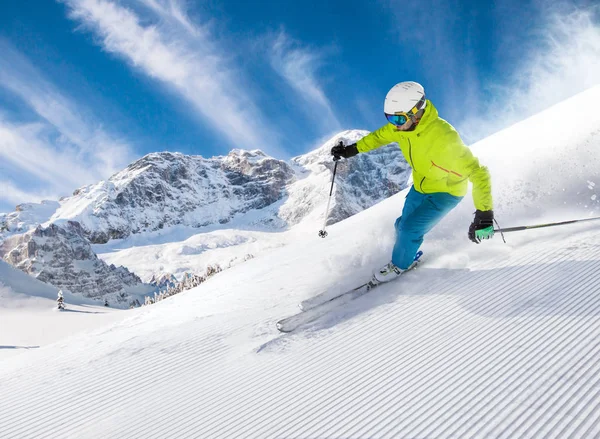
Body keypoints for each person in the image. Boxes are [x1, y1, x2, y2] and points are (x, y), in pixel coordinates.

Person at [331, 81, 494, 283]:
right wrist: (350, 150)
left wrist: (484, 212)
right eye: (390, 118)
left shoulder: (444, 137)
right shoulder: (400, 128)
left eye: (399, 118)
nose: (395, 124)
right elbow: (377, 137)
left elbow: (479, 173)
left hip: (447, 192)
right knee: (400, 225)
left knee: (409, 229)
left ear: (417, 111)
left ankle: (400, 265)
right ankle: (408, 253)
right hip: (421, 186)